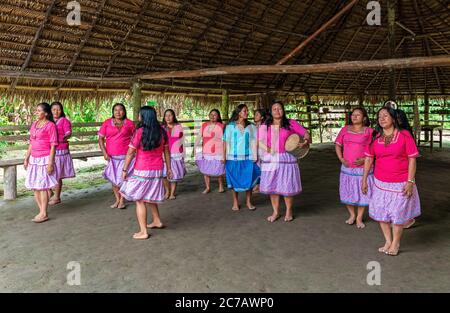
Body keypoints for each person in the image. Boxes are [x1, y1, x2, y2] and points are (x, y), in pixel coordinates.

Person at [362, 106, 421, 256]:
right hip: (380, 183)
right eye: (379, 116)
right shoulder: (375, 137)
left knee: (397, 214)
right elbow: (369, 159)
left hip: (400, 182)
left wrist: (410, 181)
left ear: (394, 119)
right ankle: (388, 241)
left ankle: (395, 243)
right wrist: (364, 180)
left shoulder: (404, 135)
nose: (381, 118)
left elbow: (412, 160)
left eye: (385, 116)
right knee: (382, 213)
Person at [120, 106, 171, 240]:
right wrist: (169, 168)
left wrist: (124, 169)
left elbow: (130, 152)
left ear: (143, 117)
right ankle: (157, 221)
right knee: (150, 195)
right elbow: (166, 152)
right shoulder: (162, 132)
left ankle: (143, 232)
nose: (138, 117)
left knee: (139, 199)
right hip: (157, 170)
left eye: (139, 115)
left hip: (142, 169)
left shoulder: (140, 132)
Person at [258, 101, 311, 222]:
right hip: (271, 158)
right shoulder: (265, 125)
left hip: (287, 158)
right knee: (273, 186)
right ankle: (276, 212)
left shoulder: (291, 123)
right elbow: (259, 141)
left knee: (287, 186)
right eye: (274, 109)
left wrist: (305, 141)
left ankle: (288, 211)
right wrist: (269, 150)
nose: (277, 111)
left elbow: (306, 133)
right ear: (271, 112)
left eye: (280, 108)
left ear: (283, 110)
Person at [335, 107, 373, 229]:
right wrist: (341, 158)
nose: (354, 116)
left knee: (363, 192)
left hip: (363, 168)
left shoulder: (369, 131)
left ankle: (359, 217)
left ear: (364, 118)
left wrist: (365, 159)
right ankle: (352, 215)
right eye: (353, 115)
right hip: (347, 168)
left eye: (358, 115)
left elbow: (375, 149)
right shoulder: (345, 129)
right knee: (348, 190)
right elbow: (338, 145)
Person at [24, 102, 58, 223]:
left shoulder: (50, 126)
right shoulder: (34, 124)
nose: (36, 112)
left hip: (45, 159)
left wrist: (50, 163)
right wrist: (26, 158)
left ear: (46, 113)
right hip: (34, 159)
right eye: (36, 110)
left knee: (43, 186)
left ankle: (44, 212)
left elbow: (53, 145)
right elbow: (31, 143)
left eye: (39, 110)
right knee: (35, 187)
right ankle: (41, 211)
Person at [223, 104, 260, 211]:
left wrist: (255, 155)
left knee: (249, 179)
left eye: (247, 111)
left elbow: (254, 142)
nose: (247, 112)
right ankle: (235, 203)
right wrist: (223, 156)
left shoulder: (251, 126)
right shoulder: (230, 126)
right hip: (232, 158)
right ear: (239, 113)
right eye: (245, 111)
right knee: (234, 180)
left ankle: (249, 202)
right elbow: (225, 142)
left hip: (248, 157)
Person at [98, 103, 135, 209]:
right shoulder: (107, 123)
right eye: (116, 110)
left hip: (126, 157)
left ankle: (122, 200)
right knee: (113, 179)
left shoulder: (129, 123)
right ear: (113, 112)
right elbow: (100, 139)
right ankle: (117, 199)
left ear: (124, 111)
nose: (118, 112)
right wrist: (104, 153)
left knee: (124, 178)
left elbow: (135, 138)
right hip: (112, 157)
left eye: (121, 110)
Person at [48, 101, 75, 205]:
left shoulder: (64, 121)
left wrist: (66, 136)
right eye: (54, 109)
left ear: (61, 110)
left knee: (57, 175)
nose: (56, 111)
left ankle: (57, 197)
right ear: (50, 111)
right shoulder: (48, 121)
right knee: (48, 172)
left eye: (58, 109)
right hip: (49, 151)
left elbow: (68, 132)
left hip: (60, 151)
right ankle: (49, 191)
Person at [195, 109, 225, 194]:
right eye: (211, 114)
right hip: (206, 150)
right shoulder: (204, 125)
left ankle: (221, 186)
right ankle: (207, 187)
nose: (212, 116)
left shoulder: (222, 126)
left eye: (215, 115)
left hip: (218, 150)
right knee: (206, 169)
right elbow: (199, 137)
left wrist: (224, 153)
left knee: (218, 169)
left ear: (218, 116)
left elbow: (225, 140)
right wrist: (195, 147)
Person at [162, 109, 186, 199]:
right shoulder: (162, 127)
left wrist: (183, 153)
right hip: (164, 153)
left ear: (174, 116)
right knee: (164, 174)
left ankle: (172, 193)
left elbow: (182, 140)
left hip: (176, 153)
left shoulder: (179, 126)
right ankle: (167, 191)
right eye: (166, 115)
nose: (168, 117)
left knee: (174, 174)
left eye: (170, 115)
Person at [252, 109, 266, 193]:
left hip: (262, 150)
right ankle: (258, 184)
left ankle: (260, 185)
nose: (255, 116)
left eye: (257, 115)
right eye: (255, 114)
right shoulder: (253, 127)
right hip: (254, 149)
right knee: (256, 167)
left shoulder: (264, 127)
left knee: (262, 167)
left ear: (262, 117)